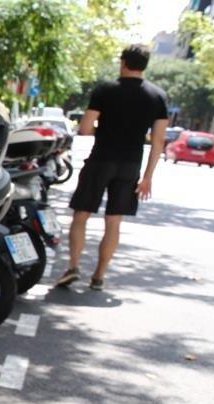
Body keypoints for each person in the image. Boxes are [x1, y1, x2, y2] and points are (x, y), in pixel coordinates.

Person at [56, 44, 168, 291]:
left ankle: (73, 266)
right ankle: (98, 276)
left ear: (123, 62)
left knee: (81, 215)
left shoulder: (105, 90)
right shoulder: (158, 96)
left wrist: (104, 131)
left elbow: (85, 128)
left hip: (100, 159)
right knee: (114, 221)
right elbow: (158, 141)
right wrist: (148, 177)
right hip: (131, 165)